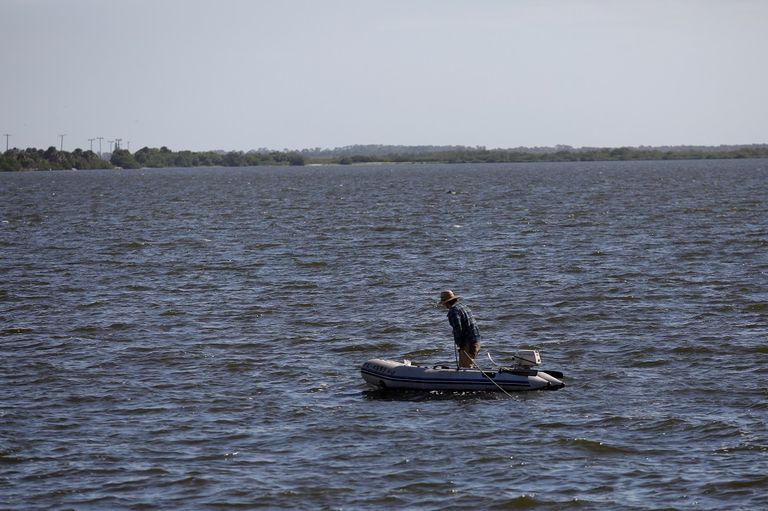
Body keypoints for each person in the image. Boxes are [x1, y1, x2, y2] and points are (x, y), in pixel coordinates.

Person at [439, 290, 481, 368]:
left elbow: (458, 329)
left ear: (447, 303)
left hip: (468, 343)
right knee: (470, 365)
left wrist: (459, 344)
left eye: (444, 304)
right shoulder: (463, 306)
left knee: (465, 369)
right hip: (476, 341)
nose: (444, 306)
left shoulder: (453, 311)